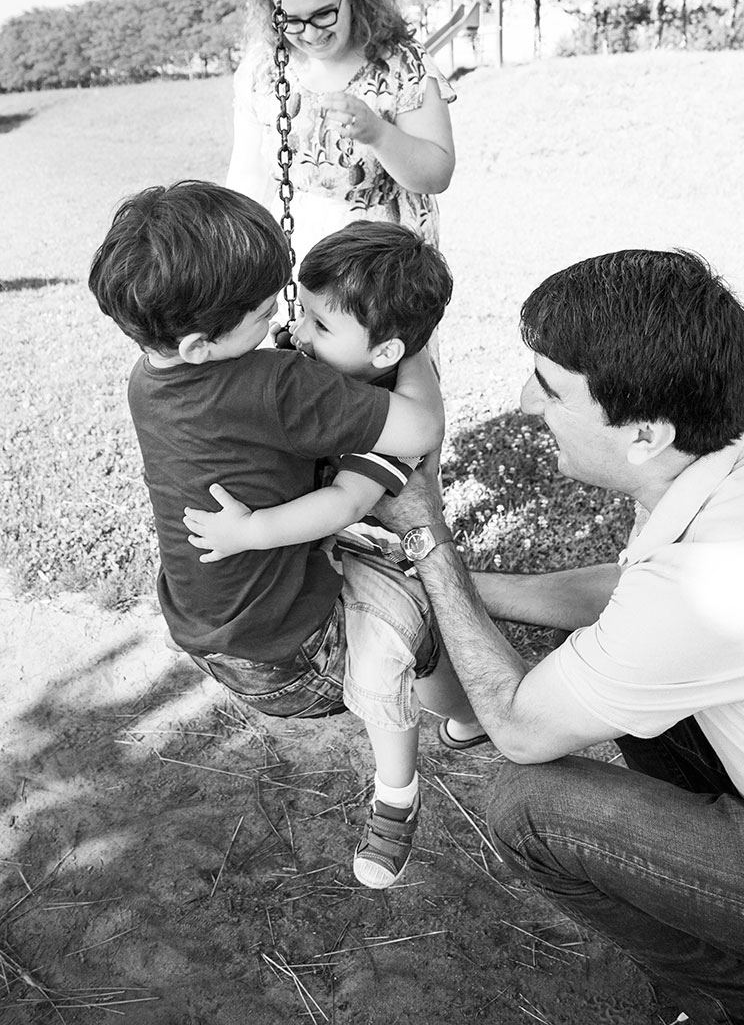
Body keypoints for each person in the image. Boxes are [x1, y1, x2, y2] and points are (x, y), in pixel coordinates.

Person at [375, 249, 744, 1025]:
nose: (526, 404)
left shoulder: (723, 580)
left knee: (528, 808)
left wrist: (429, 544)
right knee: (632, 692)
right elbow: (640, 599)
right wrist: (475, 588)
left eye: (551, 388)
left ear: (644, 432)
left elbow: (518, 727)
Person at [88, 184, 478, 890]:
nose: (283, 324)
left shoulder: (147, 379)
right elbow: (420, 431)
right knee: (401, 625)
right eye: (268, 311)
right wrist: (414, 353)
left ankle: (468, 718)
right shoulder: (277, 386)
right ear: (202, 344)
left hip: (208, 625)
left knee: (383, 584)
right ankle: (399, 795)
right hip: (292, 652)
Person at [226, 0, 456, 266]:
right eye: (291, 20)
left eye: (323, 14)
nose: (312, 33)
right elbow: (248, 177)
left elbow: (436, 174)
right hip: (300, 256)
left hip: (385, 265)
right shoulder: (263, 70)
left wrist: (379, 134)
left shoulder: (401, 64)